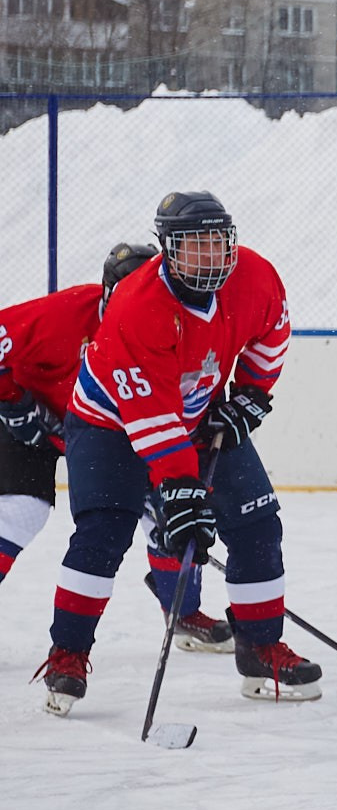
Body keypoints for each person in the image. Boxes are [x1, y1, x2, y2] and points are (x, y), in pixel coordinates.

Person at [38, 193, 315, 715]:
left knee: (258, 525)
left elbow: (271, 334)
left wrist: (250, 395)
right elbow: (152, 419)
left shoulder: (255, 276)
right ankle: (67, 655)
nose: (209, 256)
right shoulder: (138, 306)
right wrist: (181, 490)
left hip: (194, 412)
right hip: (110, 423)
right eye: (194, 246)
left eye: (217, 243)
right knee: (104, 533)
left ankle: (259, 651)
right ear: (168, 249)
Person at [1, 245, 156, 599]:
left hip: (108, 434)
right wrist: (12, 401)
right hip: (33, 424)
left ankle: (184, 610)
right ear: (107, 291)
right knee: (21, 510)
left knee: (162, 509)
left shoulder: (169, 329)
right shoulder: (67, 313)